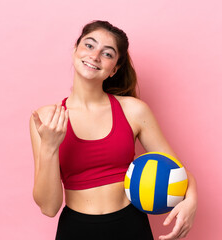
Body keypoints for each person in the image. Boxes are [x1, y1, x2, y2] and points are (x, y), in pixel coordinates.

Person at [29, 20, 197, 240]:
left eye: (107, 54)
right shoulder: (46, 119)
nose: (95, 56)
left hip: (130, 226)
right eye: (89, 45)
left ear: (114, 69)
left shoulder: (133, 111)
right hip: (76, 230)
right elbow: (49, 208)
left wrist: (192, 201)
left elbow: (177, 169)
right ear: (75, 50)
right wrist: (50, 146)